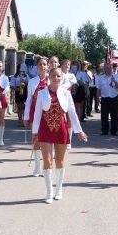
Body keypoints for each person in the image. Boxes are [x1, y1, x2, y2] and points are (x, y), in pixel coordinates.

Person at [32, 67, 87, 204]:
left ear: (61, 78)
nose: (56, 78)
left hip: (61, 129)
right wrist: (34, 132)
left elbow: (72, 112)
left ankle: (59, 188)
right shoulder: (42, 93)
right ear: (49, 77)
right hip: (45, 129)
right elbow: (37, 113)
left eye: (58, 76)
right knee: (47, 160)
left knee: (60, 161)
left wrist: (78, 130)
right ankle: (49, 191)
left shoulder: (65, 93)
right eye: (54, 75)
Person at [24, 57, 50, 176]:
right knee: (35, 139)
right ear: (37, 66)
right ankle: (37, 167)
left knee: (47, 140)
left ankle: (46, 166)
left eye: (44, 64)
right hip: (35, 113)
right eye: (40, 64)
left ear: (47, 66)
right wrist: (25, 115)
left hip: (49, 114)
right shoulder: (32, 81)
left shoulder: (51, 80)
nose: (42, 66)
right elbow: (29, 99)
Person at [96, 63, 118, 136]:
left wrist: (115, 82)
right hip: (104, 98)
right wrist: (97, 100)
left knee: (114, 115)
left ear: (112, 69)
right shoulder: (101, 78)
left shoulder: (115, 76)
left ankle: (114, 131)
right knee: (104, 115)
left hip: (113, 98)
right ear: (104, 69)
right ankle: (104, 130)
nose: (108, 70)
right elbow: (98, 89)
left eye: (110, 68)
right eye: (107, 68)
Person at [60, 59, 77, 149]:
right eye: (65, 64)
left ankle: (69, 140)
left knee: (69, 119)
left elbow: (74, 82)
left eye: (68, 64)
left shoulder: (71, 75)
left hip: (68, 98)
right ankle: (59, 139)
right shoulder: (58, 74)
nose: (67, 66)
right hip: (58, 98)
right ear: (61, 65)